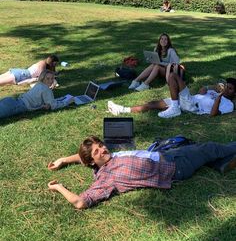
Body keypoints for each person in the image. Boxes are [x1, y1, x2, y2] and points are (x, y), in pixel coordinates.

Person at [48, 135, 236, 210]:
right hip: (176, 167)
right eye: (97, 152)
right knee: (211, 148)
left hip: (166, 154)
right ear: (92, 162)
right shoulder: (106, 178)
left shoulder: (103, 158)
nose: (103, 150)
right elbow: (80, 202)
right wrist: (59, 187)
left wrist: (63, 160)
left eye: (101, 145)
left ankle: (221, 163)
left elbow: (83, 157)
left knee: (203, 149)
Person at [108, 75, 236, 118]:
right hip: (189, 99)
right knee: (153, 104)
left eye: (230, 89)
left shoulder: (229, 105)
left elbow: (213, 114)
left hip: (192, 106)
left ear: (234, 93)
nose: (226, 89)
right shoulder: (217, 91)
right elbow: (202, 91)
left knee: (173, 76)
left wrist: (219, 97)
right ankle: (122, 110)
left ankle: (175, 108)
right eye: (226, 86)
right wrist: (208, 88)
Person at [0, 70, 74, 120]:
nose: (51, 81)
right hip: (17, 106)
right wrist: (67, 102)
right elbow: (54, 105)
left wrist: (48, 104)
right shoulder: (46, 89)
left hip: (12, 101)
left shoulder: (39, 84)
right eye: (48, 78)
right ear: (43, 78)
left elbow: (49, 102)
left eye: (52, 78)